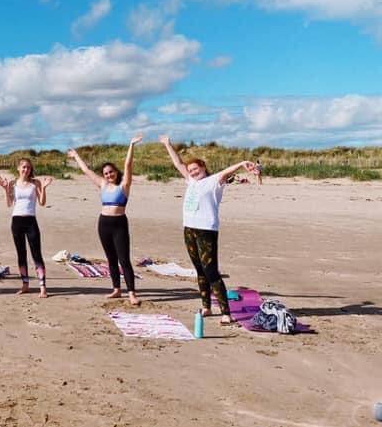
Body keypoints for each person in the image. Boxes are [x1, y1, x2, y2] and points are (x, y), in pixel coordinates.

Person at [160, 135, 260, 324]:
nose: (192, 172)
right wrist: (167, 144)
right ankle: (206, 307)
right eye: (190, 170)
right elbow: (178, 163)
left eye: (195, 169)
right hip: (189, 229)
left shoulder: (214, 181)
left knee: (211, 271)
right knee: (199, 270)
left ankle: (226, 313)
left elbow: (226, 172)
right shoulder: (191, 181)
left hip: (206, 230)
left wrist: (242, 163)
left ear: (203, 167)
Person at [68, 136, 144, 305]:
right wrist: (76, 156)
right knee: (111, 259)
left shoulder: (124, 186)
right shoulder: (102, 184)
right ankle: (116, 289)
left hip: (119, 224)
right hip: (104, 224)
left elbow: (128, 165)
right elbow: (86, 170)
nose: (109, 175)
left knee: (124, 259)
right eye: (106, 173)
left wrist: (131, 145)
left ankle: (131, 293)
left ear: (116, 172)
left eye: (111, 172)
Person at [0, 157, 53, 297]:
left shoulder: (35, 183)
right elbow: (9, 203)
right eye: (23, 167)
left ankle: (42, 287)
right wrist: (5, 189)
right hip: (16, 221)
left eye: (28, 167)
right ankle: (25, 284)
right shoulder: (12, 183)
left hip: (31, 221)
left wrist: (44, 188)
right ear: (18, 168)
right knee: (21, 254)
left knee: (36, 254)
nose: (26, 170)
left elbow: (42, 202)